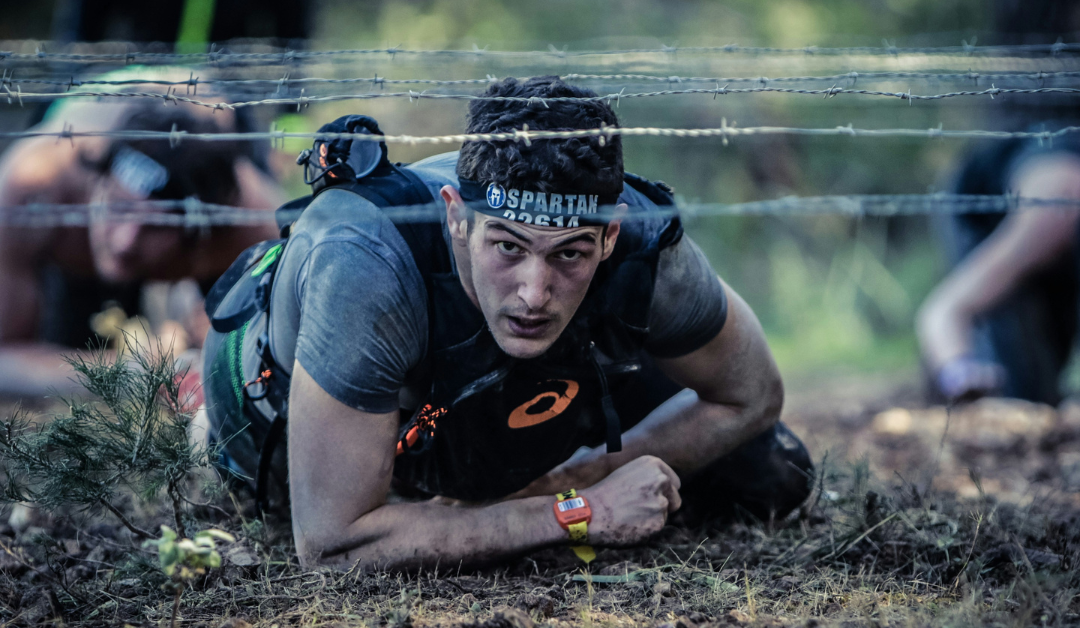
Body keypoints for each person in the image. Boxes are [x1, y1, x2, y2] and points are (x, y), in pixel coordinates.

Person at [202, 76, 813, 571]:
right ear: (457, 220)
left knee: (774, 469)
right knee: (347, 505)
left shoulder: (648, 247)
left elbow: (752, 395)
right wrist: (578, 510)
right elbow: (332, 545)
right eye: (509, 248)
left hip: (499, 385)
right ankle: (200, 432)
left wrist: (568, 477)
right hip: (293, 406)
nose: (534, 293)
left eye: (569, 253)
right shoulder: (366, 265)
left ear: (610, 233)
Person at [0, 96, 284, 398]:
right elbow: (5, 360)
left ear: (202, 231)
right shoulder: (33, 192)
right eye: (118, 208)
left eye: (156, 226)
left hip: (212, 126)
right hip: (84, 115)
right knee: (68, 333)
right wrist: (135, 375)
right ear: (98, 182)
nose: (125, 242)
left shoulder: (247, 223)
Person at [917, 133, 1080, 404]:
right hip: (989, 211)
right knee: (1023, 390)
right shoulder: (1053, 211)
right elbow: (942, 310)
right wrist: (960, 374)